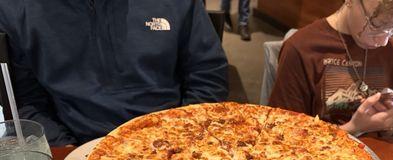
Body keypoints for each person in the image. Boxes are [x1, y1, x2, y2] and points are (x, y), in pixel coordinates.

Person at [0, 0, 228, 146]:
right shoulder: (15, 9)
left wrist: (183, 137)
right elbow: (26, 101)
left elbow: (208, 75)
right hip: (77, 146)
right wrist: (64, 148)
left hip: (174, 139)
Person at [269, 0, 393, 136]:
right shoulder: (302, 48)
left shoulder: (392, 50)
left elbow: (386, 135)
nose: (383, 41)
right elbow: (284, 134)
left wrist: (388, 121)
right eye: (375, 25)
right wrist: (354, 128)